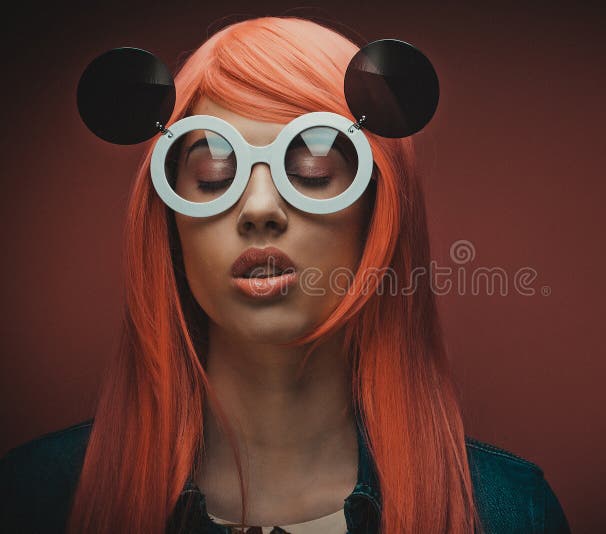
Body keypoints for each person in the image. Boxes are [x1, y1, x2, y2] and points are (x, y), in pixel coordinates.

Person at [0, 15, 570, 534]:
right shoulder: (35, 502)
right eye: (213, 173)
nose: (259, 209)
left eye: (315, 170)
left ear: (379, 209)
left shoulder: (507, 515)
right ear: (169, 220)